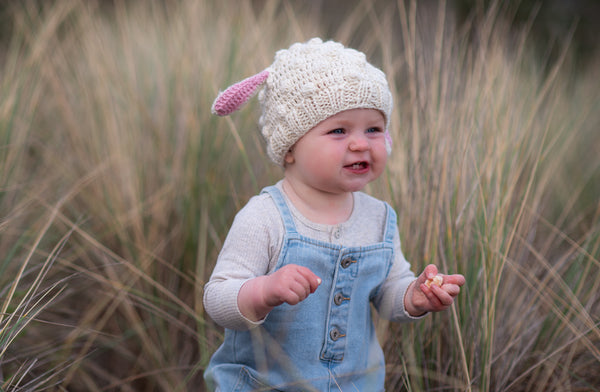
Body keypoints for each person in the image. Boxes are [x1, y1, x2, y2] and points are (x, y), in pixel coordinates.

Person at [203, 38, 465, 391]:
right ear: (291, 146)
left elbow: (387, 290)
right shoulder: (264, 217)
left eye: (373, 129)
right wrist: (263, 290)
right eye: (339, 130)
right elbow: (217, 299)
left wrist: (413, 296)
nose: (360, 143)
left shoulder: (379, 218)